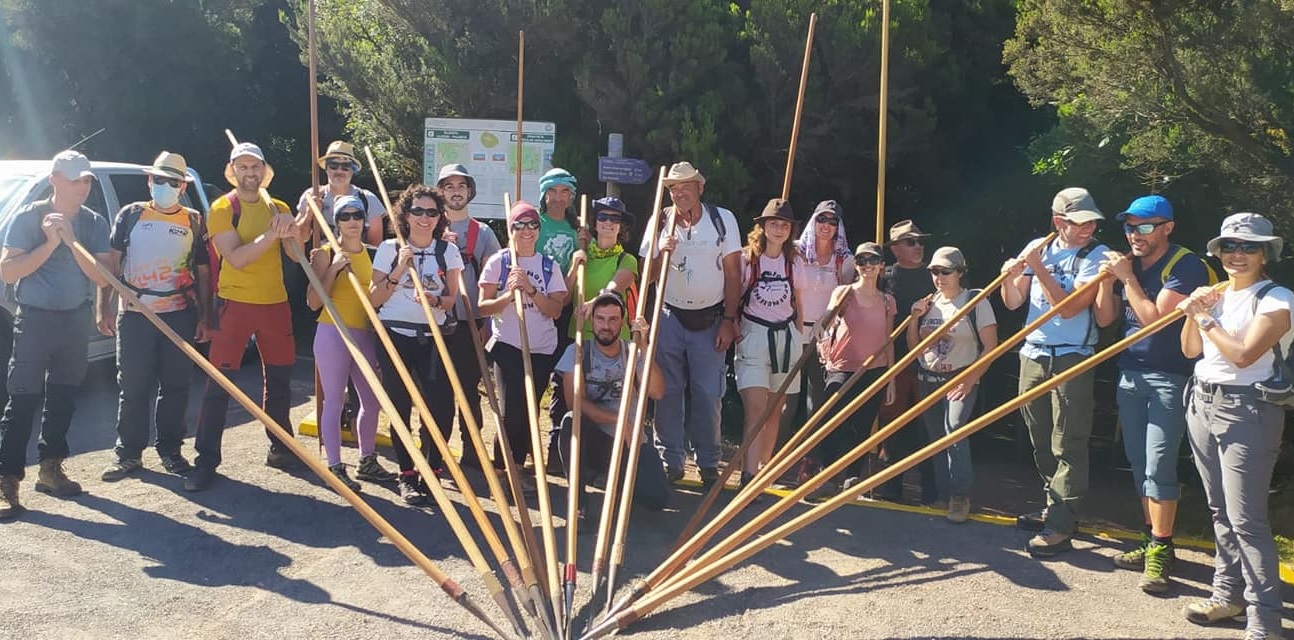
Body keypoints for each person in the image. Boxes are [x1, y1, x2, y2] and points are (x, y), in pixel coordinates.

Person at [1177, 213, 1290, 640]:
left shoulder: (1278, 299)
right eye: (1229, 246)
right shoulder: (1217, 295)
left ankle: (1265, 621)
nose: (1237, 254)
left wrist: (1204, 318)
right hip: (1202, 400)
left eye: (1249, 247)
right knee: (1220, 512)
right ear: (1218, 251)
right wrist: (1194, 312)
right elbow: (1191, 349)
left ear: (1266, 254)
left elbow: (1243, 355)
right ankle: (1227, 595)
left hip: (1249, 409)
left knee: (1247, 520)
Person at [1094, 195, 1211, 593]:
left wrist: (1126, 279)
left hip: (1169, 377)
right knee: (1139, 461)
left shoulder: (1185, 265)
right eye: (1129, 227)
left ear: (1167, 228)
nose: (1135, 234)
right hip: (1130, 374)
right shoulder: (1131, 264)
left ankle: (1161, 547)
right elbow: (1106, 319)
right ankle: (1151, 539)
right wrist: (1106, 282)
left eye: (1144, 226)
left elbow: (1154, 324)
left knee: (1159, 463)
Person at [185, 142, 307, 492]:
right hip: (234, 305)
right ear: (232, 170)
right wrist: (273, 232)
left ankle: (281, 448)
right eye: (243, 167)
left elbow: (295, 256)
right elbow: (236, 258)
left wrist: (296, 228)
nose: (250, 173)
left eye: (256, 167)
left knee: (280, 381)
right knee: (220, 384)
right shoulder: (223, 208)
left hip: (275, 303)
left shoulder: (278, 206)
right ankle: (206, 461)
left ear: (264, 171)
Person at [0, 150, 111, 518]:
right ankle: (6, 480)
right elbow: (8, 273)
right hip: (34, 319)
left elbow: (101, 276)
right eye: (74, 179)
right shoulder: (28, 218)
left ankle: (51, 470)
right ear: (54, 180)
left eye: (86, 180)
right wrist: (49, 243)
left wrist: (70, 239)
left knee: (64, 396)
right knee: (23, 399)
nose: (81, 186)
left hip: (74, 319)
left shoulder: (93, 223)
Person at [999, 187, 1109, 556]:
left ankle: (1061, 524)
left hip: (1072, 356)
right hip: (1033, 352)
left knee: (1069, 441)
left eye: (1092, 221)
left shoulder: (1095, 256)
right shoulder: (1039, 246)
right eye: (1079, 223)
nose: (1088, 228)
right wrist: (1008, 276)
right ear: (1058, 222)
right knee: (1040, 437)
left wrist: (1039, 268)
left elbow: (1070, 309)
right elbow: (1013, 302)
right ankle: (1055, 504)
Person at [98, 152, 210, 482]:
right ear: (150, 181)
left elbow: (202, 271)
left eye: (172, 182)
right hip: (135, 314)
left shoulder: (193, 220)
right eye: (159, 180)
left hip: (179, 315)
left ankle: (171, 451)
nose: (164, 186)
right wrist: (102, 306)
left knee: (176, 386)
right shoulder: (131, 214)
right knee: (132, 386)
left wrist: (205, 316)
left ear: (181, 186)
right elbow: (112, 265)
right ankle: (128, 454)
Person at [640, 161, 742, 487]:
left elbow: (733, 274)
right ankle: (670, 459)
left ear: (700, 186)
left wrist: (729, 320)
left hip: (710, 318)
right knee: (666, 392)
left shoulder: (722, 220)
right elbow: (648, 278)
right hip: (669, 315)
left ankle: (709, 461)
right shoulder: (660, 222)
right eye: (672, 187)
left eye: (685, 185)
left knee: (708, 393)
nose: (679, 192)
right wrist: (660, 251)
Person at [370, 185, 463, 504]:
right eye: (418, 211)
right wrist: (399, 267)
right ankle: (407, 474)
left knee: (440, 408)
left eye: (432, 212)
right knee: (399, 405)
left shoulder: (447, 251)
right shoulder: (388, 247)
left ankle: (433, 471)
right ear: (406, 214)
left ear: (440, 217)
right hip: (394, 334)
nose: (425, 218)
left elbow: (452, 300)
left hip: (432, 336)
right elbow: (374, 298)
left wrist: (436, 299)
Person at [306, 194, 395, 492]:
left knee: (371, 401)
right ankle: (334, 465)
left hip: (364, 333)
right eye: (345, 216)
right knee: (333, 400)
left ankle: (366, 460)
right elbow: (313, 302)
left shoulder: (374, 254)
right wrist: (333, 269)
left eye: (358, 215)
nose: (353, 221)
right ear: (337, 221)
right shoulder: (324, 253)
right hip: (333, 331)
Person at [478, 201, 568, 489]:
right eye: (520, 225)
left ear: (539, 230)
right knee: (510, 409)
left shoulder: (548, 265)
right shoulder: (499, 262)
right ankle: (506, 468)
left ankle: (516, 464)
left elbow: (555, 310)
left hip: (541, 348)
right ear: (510, 229)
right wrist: (509, 294)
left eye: (532, 225)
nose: (526, 230)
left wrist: (529, 288)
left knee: (530, 408)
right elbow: (483, 307)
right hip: (507, 345)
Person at [545, 196, 638, 471]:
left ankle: (612, 463)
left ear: (621, 226)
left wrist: (594, 302)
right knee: (567, 400)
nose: (608, 223)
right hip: (579, 340)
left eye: (615, 219)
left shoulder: (627, 259)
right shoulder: (581, 253)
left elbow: (614, 287)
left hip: (610, 344)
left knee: (610, 402)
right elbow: (563, 299)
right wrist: (576, 264)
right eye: (603, 218)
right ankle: (559, 455)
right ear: (595, 223)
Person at [554, 292, 668, 515]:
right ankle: (579, 505)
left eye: (613, 319)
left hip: (629, 444)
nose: (606, 326)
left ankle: (616, 482)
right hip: (596, 442)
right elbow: (575, 403)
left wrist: (644, 345)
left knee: (657, 499)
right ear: (591, 321)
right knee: (570, 422)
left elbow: (657, 392)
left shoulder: (632, 352)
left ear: (623, 322)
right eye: (600, 319)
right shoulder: (577, 352)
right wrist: (619, 421)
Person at [907, 247, 997, 523]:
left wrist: (971, 378)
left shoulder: (975, 301)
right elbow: (914, 350)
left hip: (960, 378)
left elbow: (991, 345)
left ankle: (960, 496)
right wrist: (913, 318)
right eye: (934, 271)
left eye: (946, 271)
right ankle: (943, 495)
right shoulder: (929, 302)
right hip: (929, 378)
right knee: (936, 439)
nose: (939, 277)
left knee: (955, 430)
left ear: (960, 272)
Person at [810, 242, 895, 499]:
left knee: (862, 425)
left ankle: (851, 477)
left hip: (874, 369)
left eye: (873, 260)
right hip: (842, 367)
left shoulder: (888, 301)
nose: (867, 265)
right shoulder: (844, 292)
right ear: (856, 265)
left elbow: (888, 338)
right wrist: (820, 328)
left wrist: (890, 378)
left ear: (882, 265)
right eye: (862, 260)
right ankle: (826, 475)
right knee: (830, 420)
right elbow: (826, 320)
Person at [780, 199, 855, 482]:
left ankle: (810, 463)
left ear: (839, 227)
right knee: (785, 399)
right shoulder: (796, 251)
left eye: (833, 221)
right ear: (814, 220)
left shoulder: (844, 259)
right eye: (822, 218)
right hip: (793, 329)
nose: (827, 225)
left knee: (817, 402)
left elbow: (845, 300)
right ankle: (773, 460)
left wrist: (829, 330)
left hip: (825, 336)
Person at [435, 164, 501, 470]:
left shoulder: (483, 233)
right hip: (435, 322)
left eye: (461, 185)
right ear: (441, 192)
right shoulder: (429, 226)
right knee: (437, 390)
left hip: (470, 323)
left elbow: (495, 278)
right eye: (449, 186)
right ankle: (435, 451)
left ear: (470, 190)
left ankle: (472, 451)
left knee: (469, 390)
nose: (455, 191)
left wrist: (487, 324)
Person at [735, 199, 805, 487]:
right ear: (762, 226)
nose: (779, 229)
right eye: (773, 223)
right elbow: (733, 297)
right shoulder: (747, 258)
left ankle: (763, 469)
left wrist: (798, 337)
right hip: (754, 335)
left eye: (784, 225)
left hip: (785, 336)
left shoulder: (794, 262)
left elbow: (798, 303)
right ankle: (748, 475)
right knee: (755, 407)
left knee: (776, 407)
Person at [876, 219, 937, 504]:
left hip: (932, 363)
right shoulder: (883, 276)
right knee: (891, 425)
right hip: (894, 363)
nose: (918, 247)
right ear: (895, 248)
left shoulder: (935, 276)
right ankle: (888, 487)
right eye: (911, 242)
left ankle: (933, 491)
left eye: (921, 241)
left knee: (930, 426)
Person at [296, 141, 386, 246]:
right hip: (323, 260)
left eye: (345, 167)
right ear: (326, 168)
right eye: (334, 166)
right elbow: (299, 238)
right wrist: (308, 215)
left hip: (358, 261)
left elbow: (375, 246)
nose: (339, 171)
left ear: (353, 170)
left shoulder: (368, 199)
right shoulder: (311, 195)